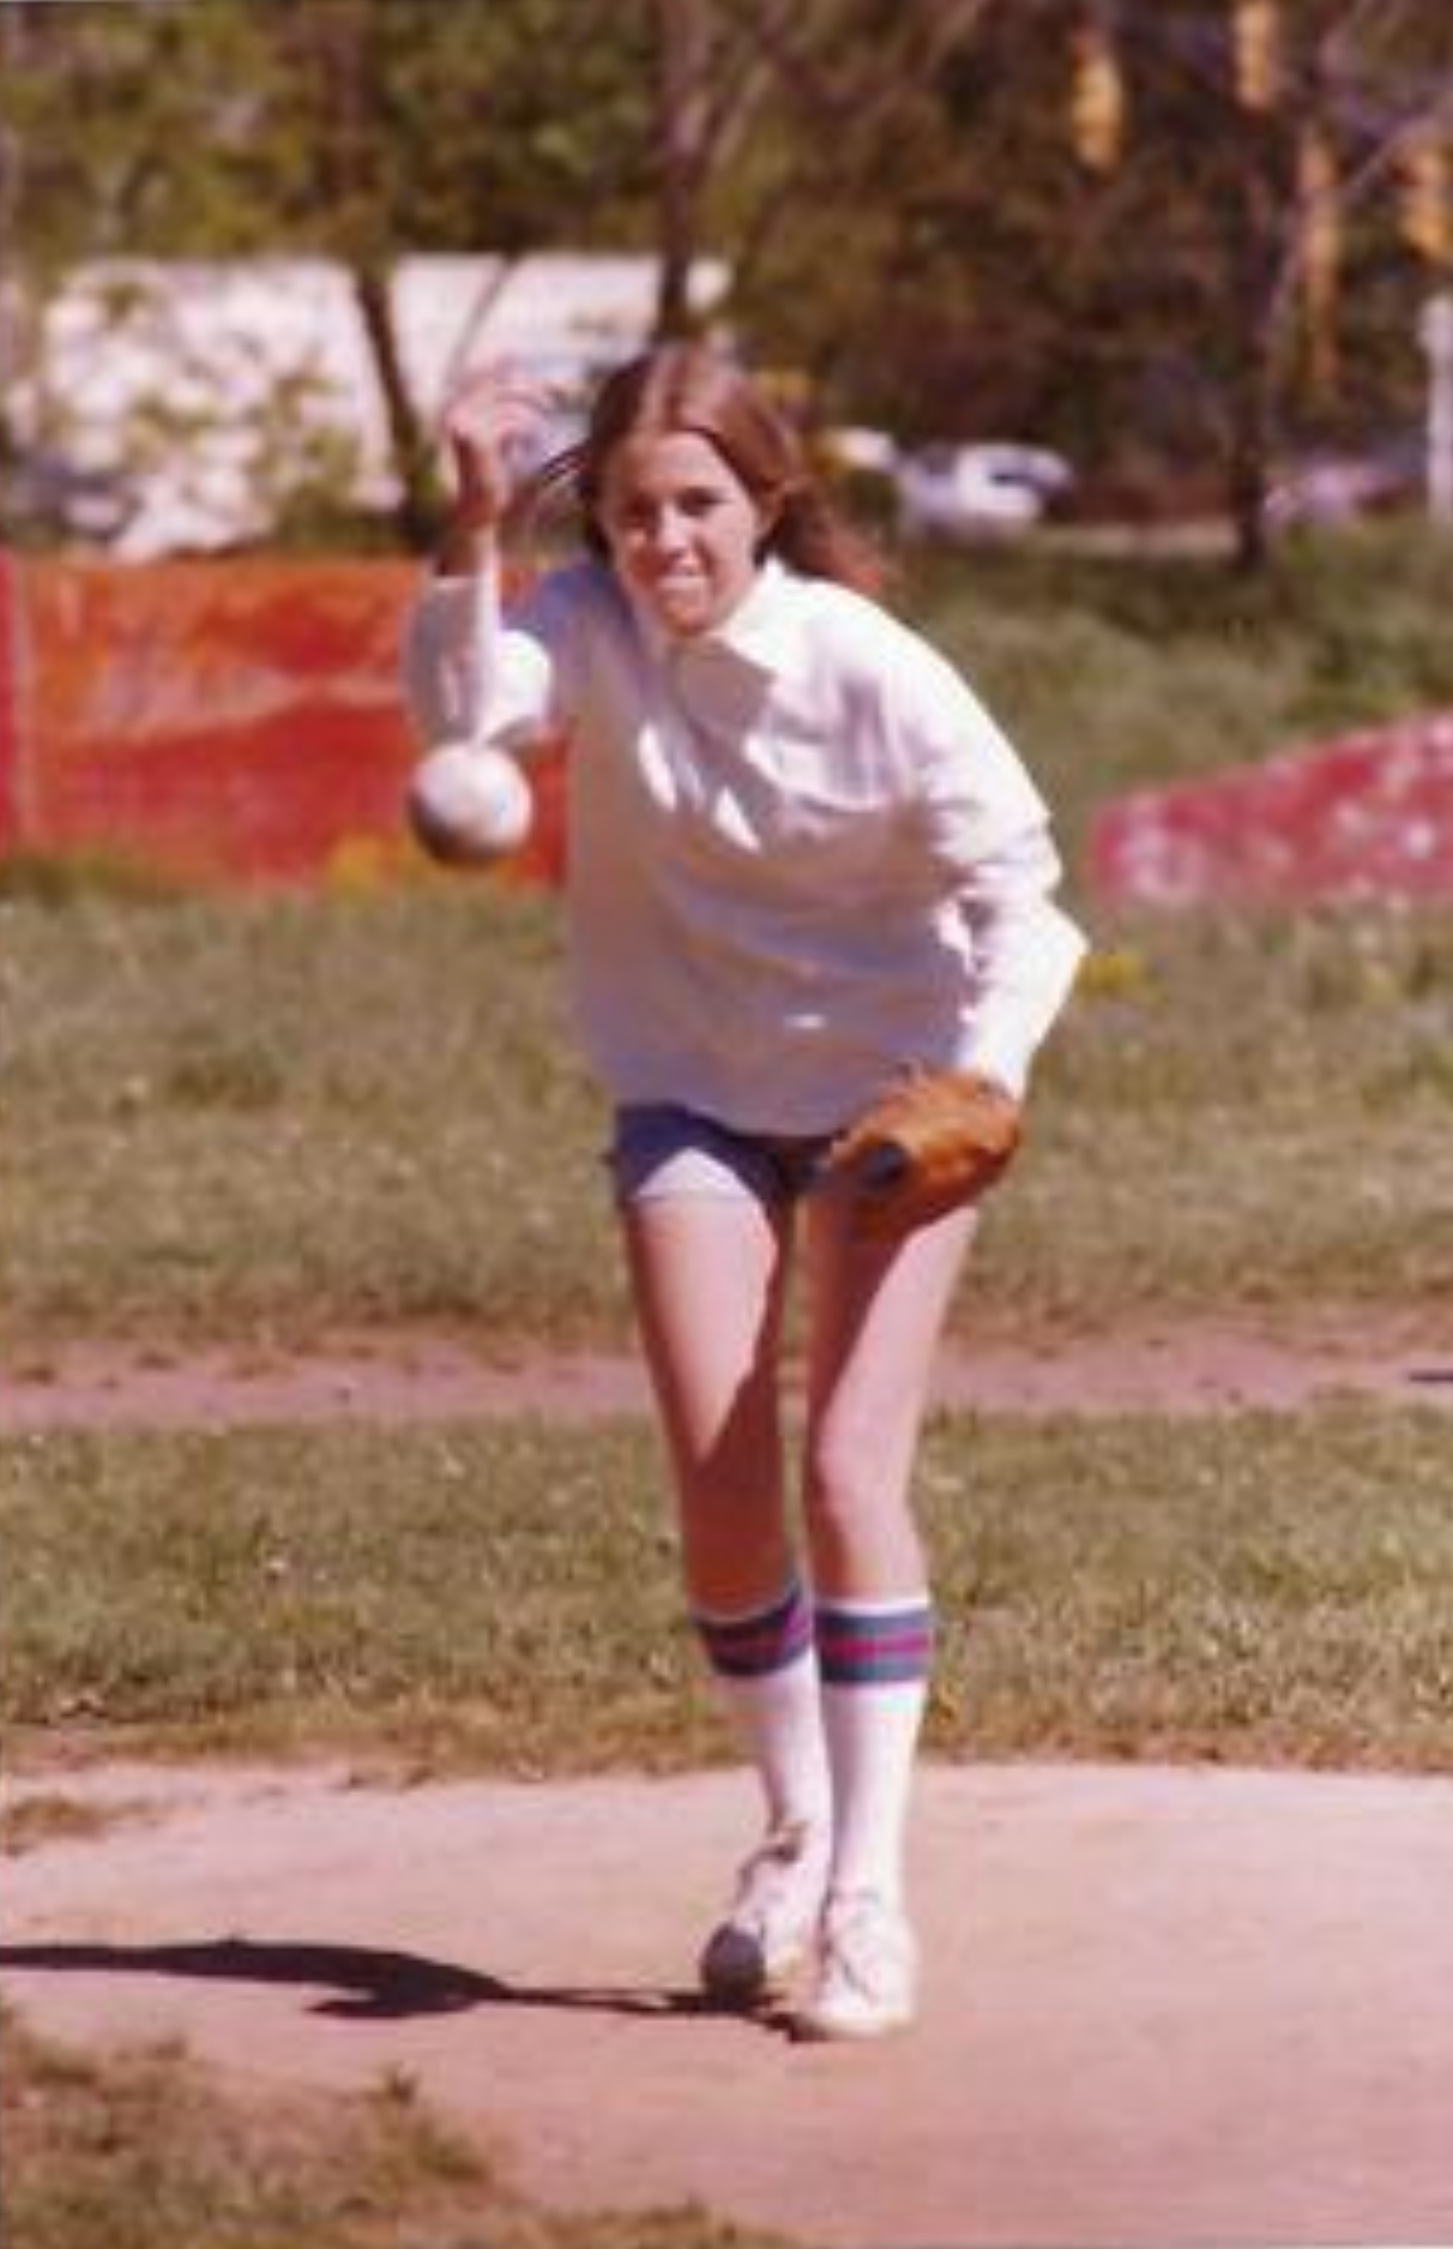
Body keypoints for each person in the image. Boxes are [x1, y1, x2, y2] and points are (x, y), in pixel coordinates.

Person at [402, 344, 1087, 2041]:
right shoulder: (586, 623)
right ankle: (788, 1831)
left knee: (849, 1466)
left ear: (763, 502)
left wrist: (984, 1074)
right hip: (692, 1091)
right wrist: (471, 527)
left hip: (886, 1103)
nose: (663, 542)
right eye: (632, 511)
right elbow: (464, 719)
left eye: (696, 503)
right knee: (720, 1478)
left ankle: (868, 1891)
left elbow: (1028, 893)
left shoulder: (870, 668)